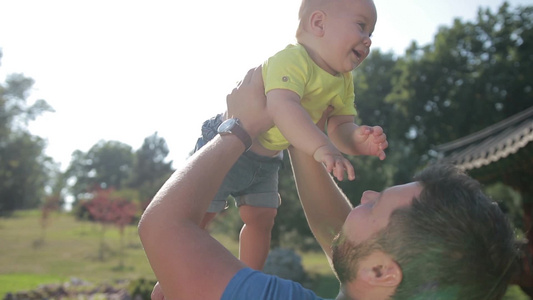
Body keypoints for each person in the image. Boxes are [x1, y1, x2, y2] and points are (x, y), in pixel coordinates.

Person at [139, 67, 518, 300]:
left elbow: (163, 227)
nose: (364, 196)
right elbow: (338, 232)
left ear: (381, 273)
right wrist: (305, 135)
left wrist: (239, 127)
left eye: (374, 205)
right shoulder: (383, 276)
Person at [194, 0, 385, 270]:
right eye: (361, 27)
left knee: (262, 219)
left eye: (371, 33)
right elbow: (283, 107)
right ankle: (169, 275)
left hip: (267, 159)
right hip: (229, 144)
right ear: (318, 23)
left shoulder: (343, 82)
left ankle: (249, 277)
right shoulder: (294, 59)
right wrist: (323, 148)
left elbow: (339, 126)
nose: (368, 41)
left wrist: (358, 141)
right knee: (200, 215)